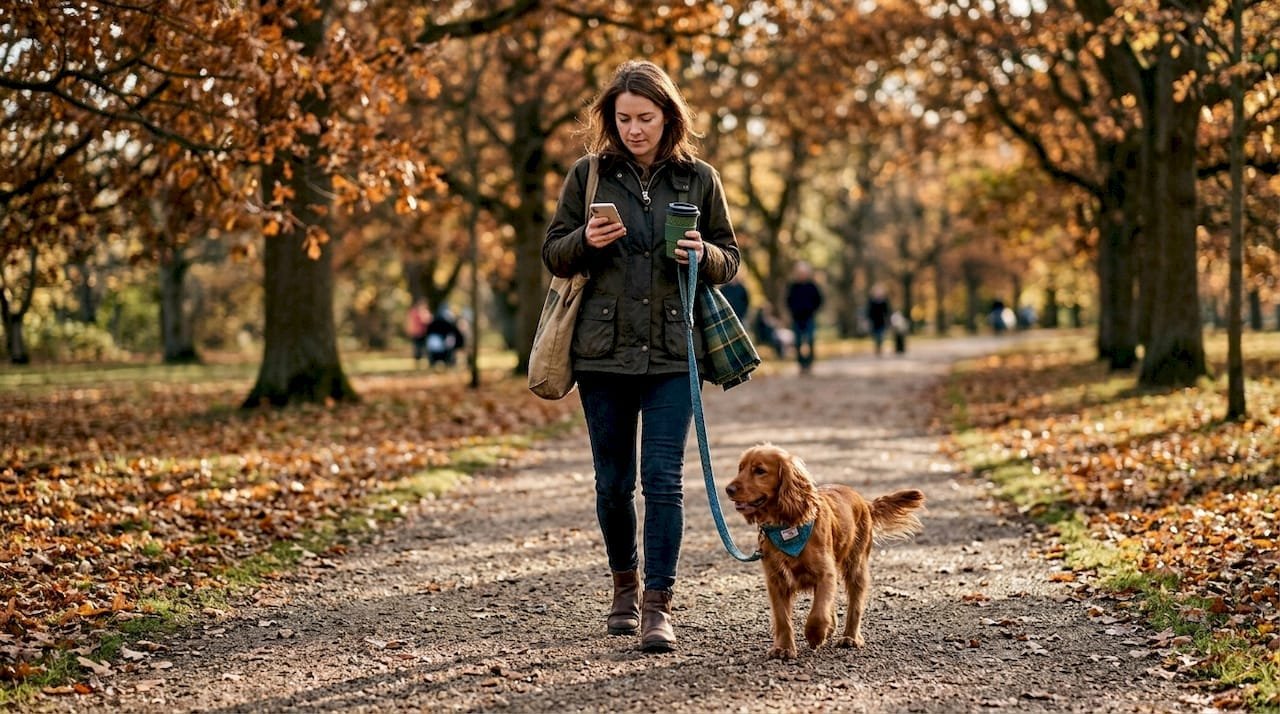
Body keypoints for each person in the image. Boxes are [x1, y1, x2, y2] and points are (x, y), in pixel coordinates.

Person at [542, 59, 740, 654]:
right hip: (601, 355)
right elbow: (554, 253)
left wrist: (703, 253)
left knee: (663, 481)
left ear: (667, 116)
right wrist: (585, 241)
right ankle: (623, 588)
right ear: (611, 118)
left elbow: (730, 258)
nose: (634, 129)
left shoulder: (700, 178)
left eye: (645, 118)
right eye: (624, 118)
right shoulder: (589, 176)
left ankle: (659, 605)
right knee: (612, 483)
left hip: (674, 355)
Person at [784, 261, 824, 372]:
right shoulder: (793, 286)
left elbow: (819, 300)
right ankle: (801, 364)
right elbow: (788, 300)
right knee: (797, 342)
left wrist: (813, 310)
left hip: (809, 317)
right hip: (796, 318)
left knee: (810, 340)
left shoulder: (812, 286)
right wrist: (792, 311)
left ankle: (810, 362)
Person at [866, 285, 891, 356]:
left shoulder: (884, 301)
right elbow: (869, 311)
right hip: (874, 321)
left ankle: (879, 347)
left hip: (881, 321)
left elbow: (887, 311)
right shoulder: (871, 301)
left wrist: (888, 320)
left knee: (881, 335)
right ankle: (877, 347)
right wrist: (868, 320)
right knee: (875, 335)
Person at [405, 298, 430, 365]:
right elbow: (426, 320)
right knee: (417, 347)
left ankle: (421, 359)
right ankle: (417, 360)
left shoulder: (422, 311)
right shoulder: (416, 312)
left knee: (421, 347)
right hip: (417, 332)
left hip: (422, 332)